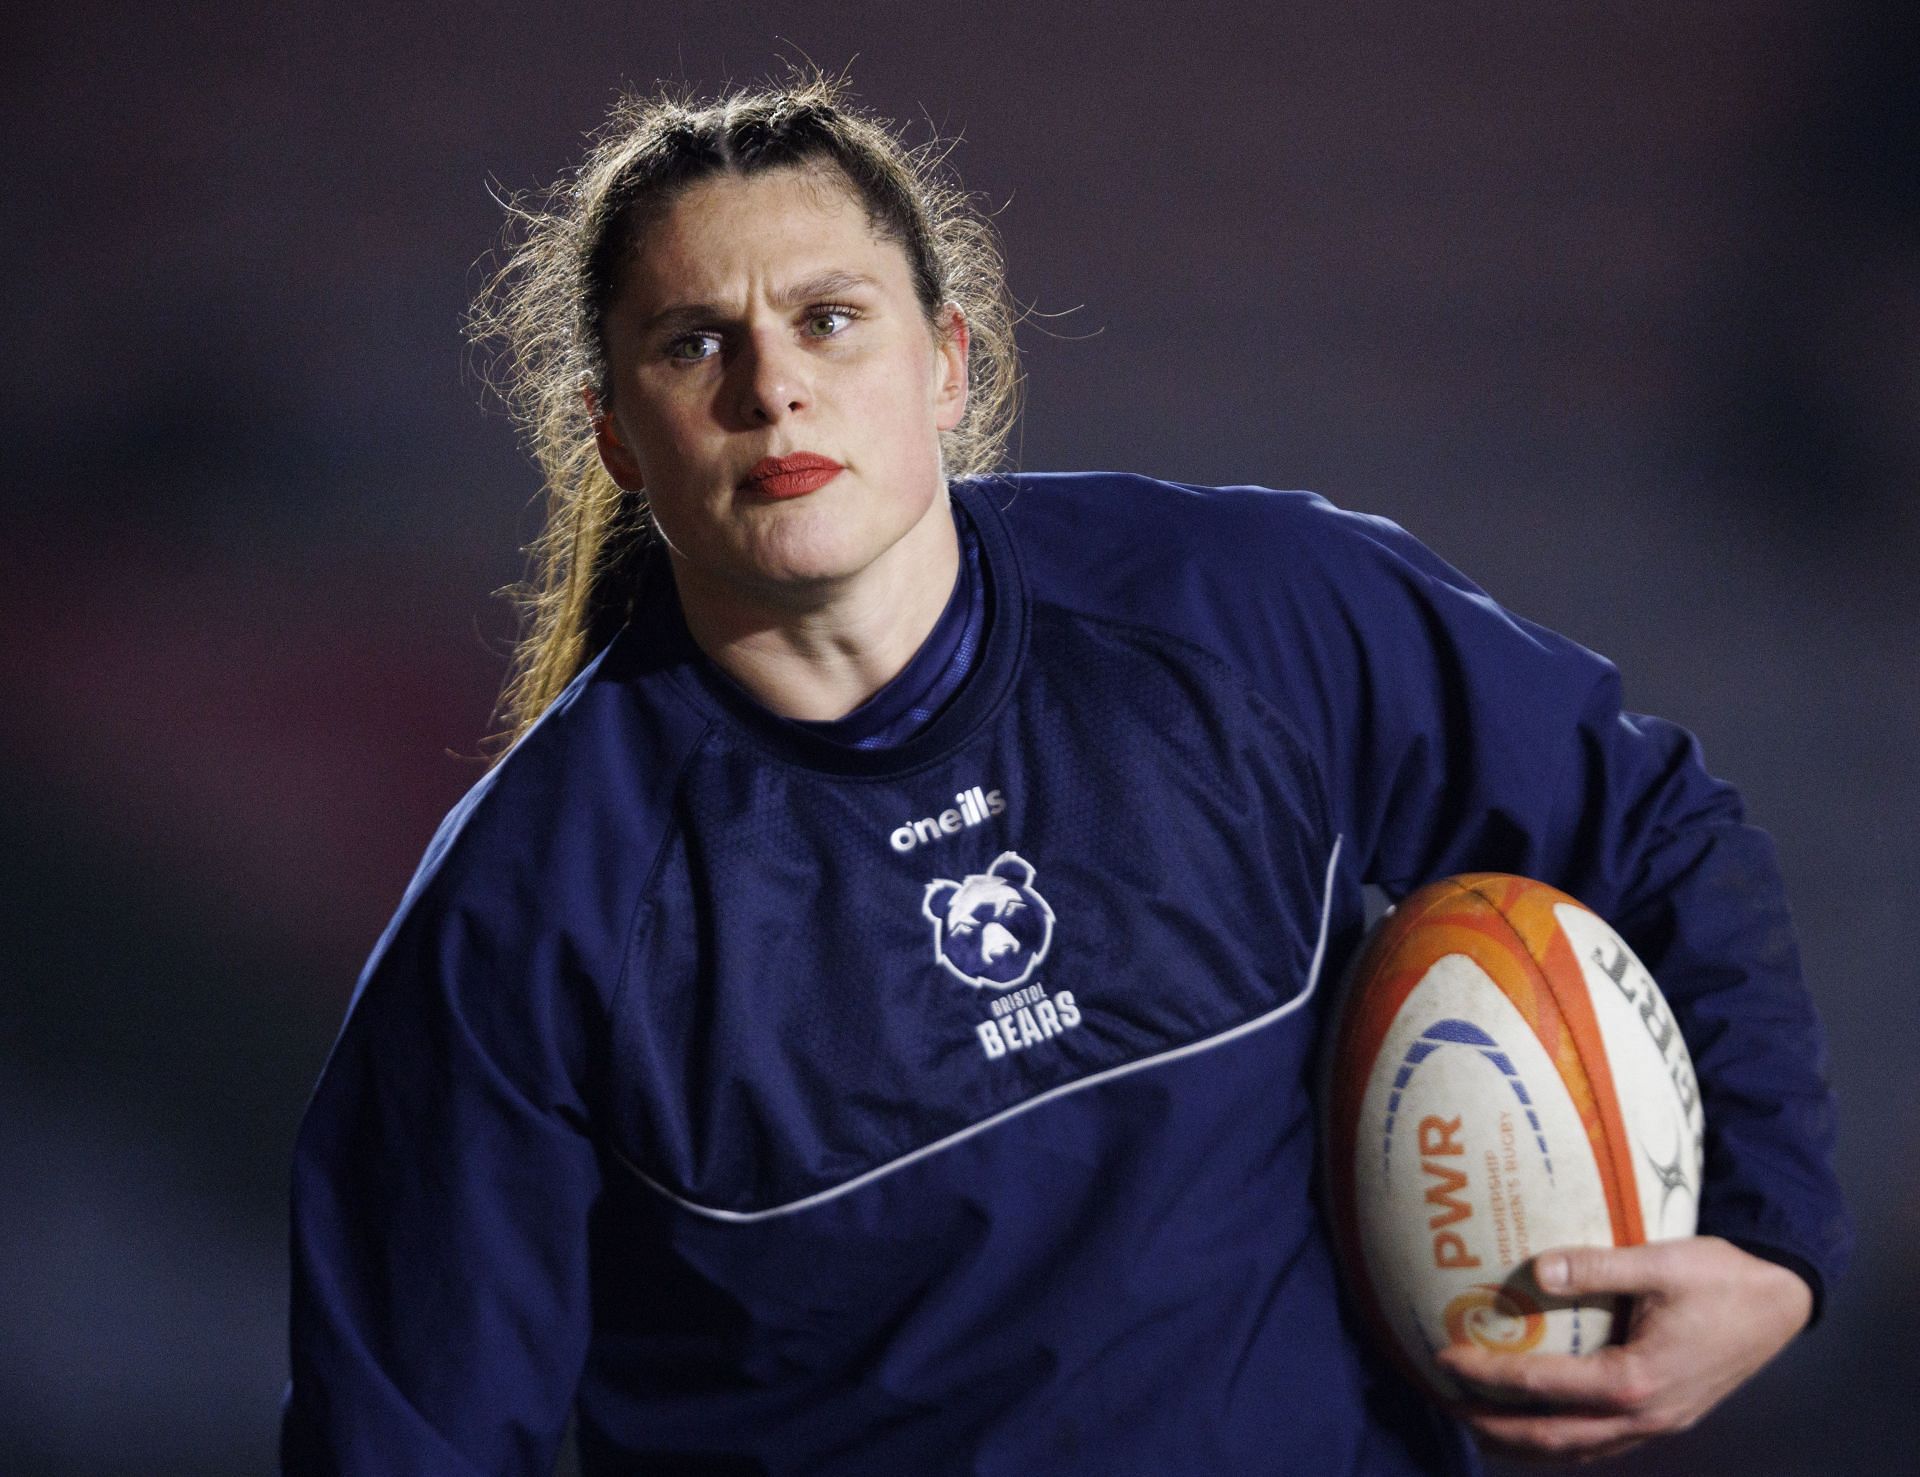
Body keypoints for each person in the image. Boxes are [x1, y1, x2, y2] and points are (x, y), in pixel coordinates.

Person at [280, 74, 1849, 1475]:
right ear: (618, 434)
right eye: (698, 344)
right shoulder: (528, 910)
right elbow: (403, 1434)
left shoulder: (1248, 611)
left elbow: (1651, 825)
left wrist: (1772, 1246)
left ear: (947, 365)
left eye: (830, 319)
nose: (773, 390)